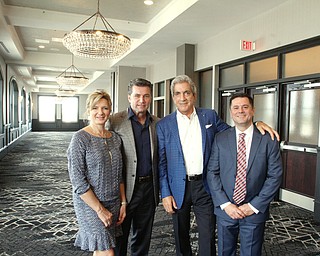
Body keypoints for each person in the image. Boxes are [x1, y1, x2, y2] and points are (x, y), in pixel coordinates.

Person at [156, 75, 279, 256]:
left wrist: (257, 123)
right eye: (178, 94)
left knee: (207, 235)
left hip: (205, 186)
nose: (182, 98)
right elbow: (161, 161)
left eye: (187, 93)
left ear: (194, 95)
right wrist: (165, 193)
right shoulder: (164, 125)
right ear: (173, 97)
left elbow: (235, 131)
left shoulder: (209, 116)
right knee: (180, 236)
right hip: (177, 189)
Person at [206, 93, 283, 256]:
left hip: (254, 211)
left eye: (245, 107)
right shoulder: (220, 138)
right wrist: (226, 204)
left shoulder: (268, 139)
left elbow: (275, 176)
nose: (240, 111)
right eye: (236, 107)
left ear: (253, 110)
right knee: (225, 252)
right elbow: (212, 173)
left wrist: (254, 206)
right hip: (226, 210)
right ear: (230, 112)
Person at [67, 90, 126, 256]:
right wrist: (99, 210)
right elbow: (78, 181)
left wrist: (123, 203)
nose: (100, 112)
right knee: (107, 252)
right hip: (90, 205)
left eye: (105, 108)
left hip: (113, 202)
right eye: (95, 108)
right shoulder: (80, 138)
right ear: (88, 110)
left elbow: (119, 174)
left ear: (110, 110)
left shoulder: (115, 138)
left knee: (101, 249)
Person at [108, 78, 159, 256]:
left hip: (149, 190)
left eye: (146, 96)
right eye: (137, 95)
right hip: (124, 190)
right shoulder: (115, 121)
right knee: (119, 239)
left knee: (143, 239)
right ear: (129, 97)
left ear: (150, 98)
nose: (141, 100)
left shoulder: (157, 123)